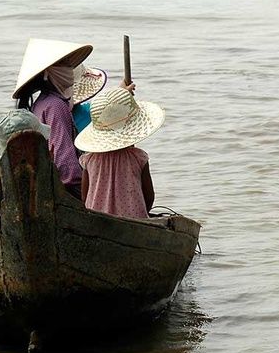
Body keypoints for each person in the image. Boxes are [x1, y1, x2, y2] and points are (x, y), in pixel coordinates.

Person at [13, 38, 93, 198]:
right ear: (48, 72)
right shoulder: (55, 105)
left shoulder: (42, 102)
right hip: (66, 192)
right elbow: (66, 166)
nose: (70, 69)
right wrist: (87, 198)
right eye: (64, 64)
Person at [74, 87, 165, 220]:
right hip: (134, 221)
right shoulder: (138, 157)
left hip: (96, 222)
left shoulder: (89, 159)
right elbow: (149, 196)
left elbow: (84, 197)